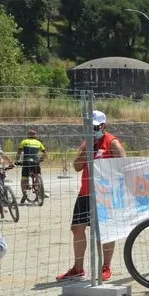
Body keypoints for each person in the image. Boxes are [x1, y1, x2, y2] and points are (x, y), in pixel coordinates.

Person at [56, 111, 125, 282]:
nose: (91, 130)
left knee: (105, 231)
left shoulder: (112, 142)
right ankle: (78, 268)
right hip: (85, 193)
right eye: (88, 127)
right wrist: (86, 153)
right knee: (77, 228)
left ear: (103, 126)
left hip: (105, 194)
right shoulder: (87, 142)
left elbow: (123, 165)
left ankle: (106, 267)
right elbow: (76, 167)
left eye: (94, 127)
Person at [17, 130, 47, 204]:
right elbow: (45, 153)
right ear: (35, 136)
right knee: (37, 174)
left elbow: (19, 152)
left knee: (24, 178)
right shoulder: (38, 142)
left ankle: (25, 192)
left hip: (26, 162)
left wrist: (17, 160)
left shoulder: (24, 141)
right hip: (35, 162)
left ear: (28, 135)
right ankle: (37, 185)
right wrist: (41, 159)